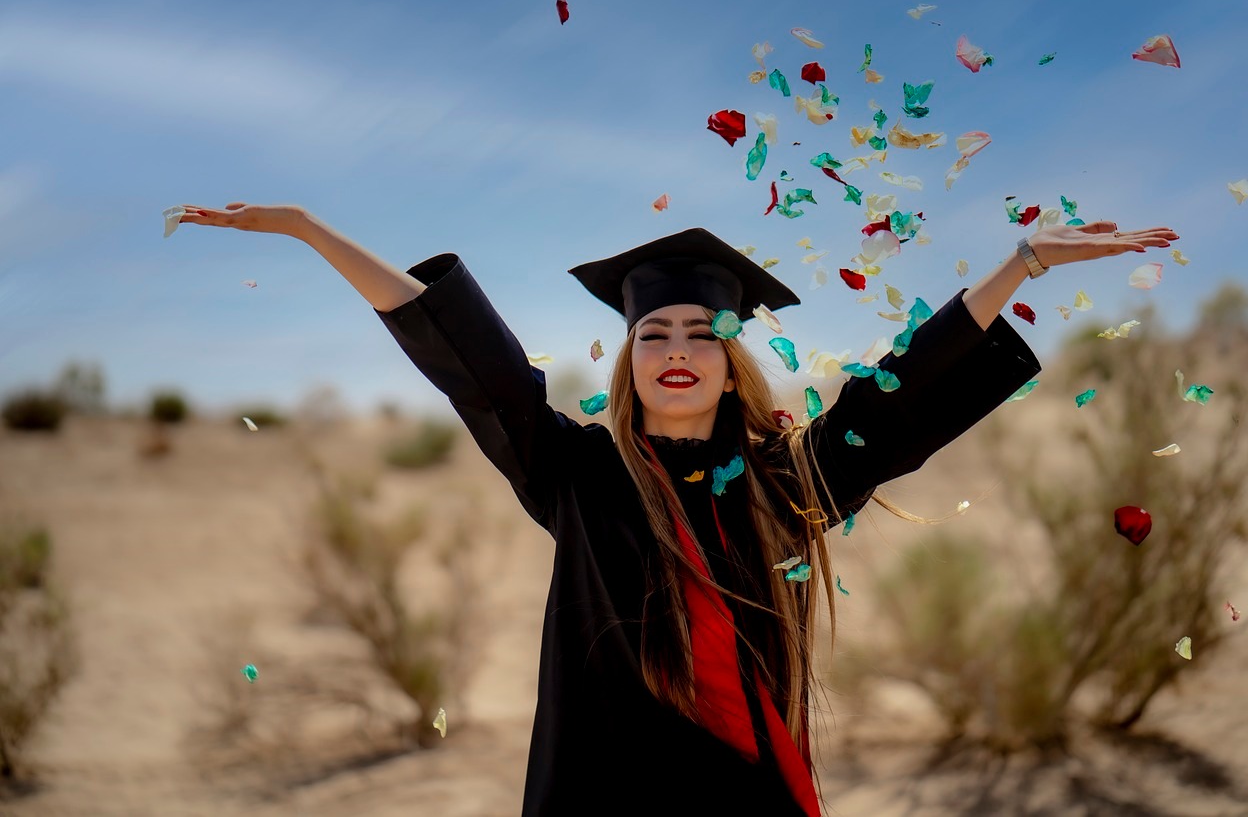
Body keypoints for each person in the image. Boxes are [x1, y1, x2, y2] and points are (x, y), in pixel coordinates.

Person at [178, 203, 1176, 815]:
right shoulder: (574, 474)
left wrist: (1021, 265)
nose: (675, 347)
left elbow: (898, 397)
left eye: (701, 331)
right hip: (605, 795)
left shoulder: (789, 480)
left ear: (728, 356)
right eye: (651, 330)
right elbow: (475, 368)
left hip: (745, 790)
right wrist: (312, 233)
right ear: (628, 356)